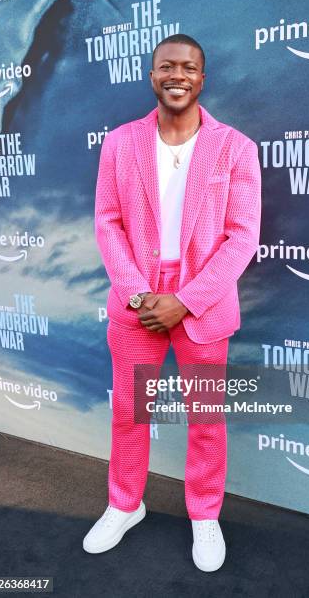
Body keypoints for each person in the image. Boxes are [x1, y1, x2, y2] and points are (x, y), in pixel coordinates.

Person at [83, 33, 261, 572]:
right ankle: (124, 504)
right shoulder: (119, 143)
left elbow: (243, 235)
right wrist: (140, 293)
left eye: (188, 67)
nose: (176, 74)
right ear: (153, 75)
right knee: (129, 412)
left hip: (202, 300)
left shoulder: (235, 147)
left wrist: (185, 300)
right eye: (166, 66)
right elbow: (108, 222)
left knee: (206, 415)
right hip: (135, 294)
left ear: (202, 78)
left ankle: (204, 515)